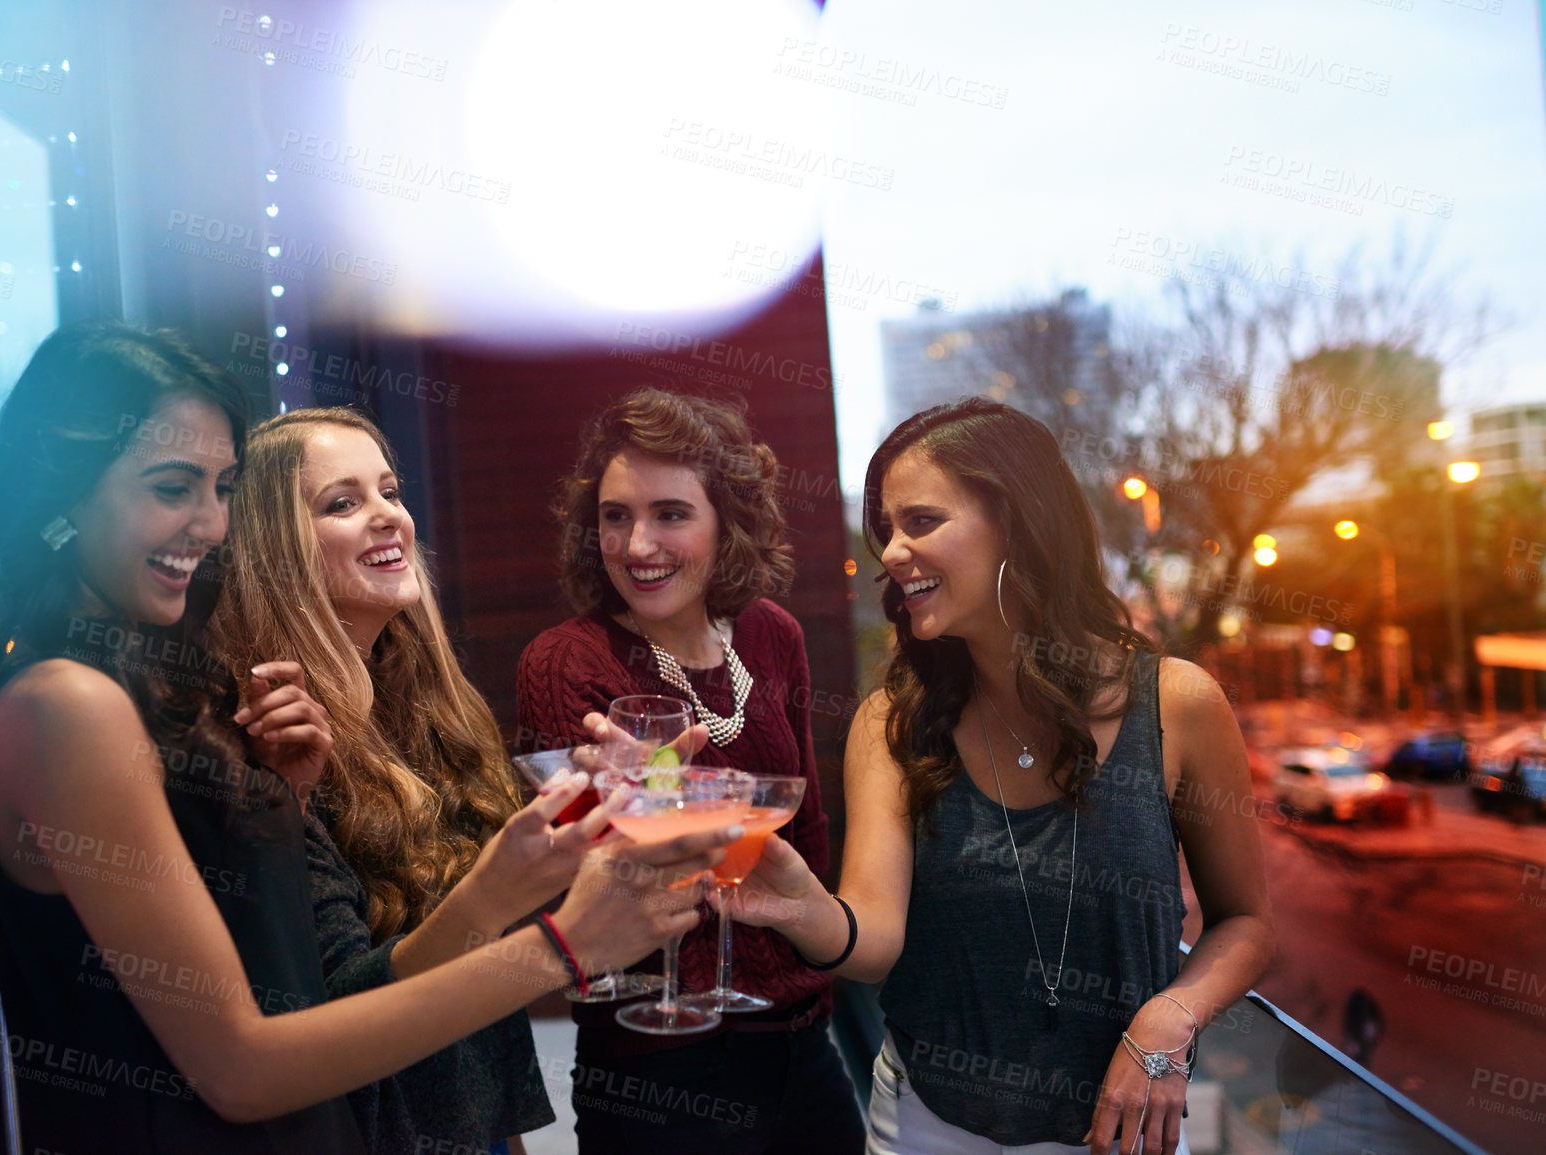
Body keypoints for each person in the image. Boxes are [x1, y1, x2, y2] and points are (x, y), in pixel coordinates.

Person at [0, 322, 735, 1154]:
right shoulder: (66, 702)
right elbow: (242, 1067)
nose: (209, 524)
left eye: (220, 489)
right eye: (170, 486)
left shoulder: (154, 692)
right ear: (61, 492)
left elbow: (273, 971)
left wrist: (278, 799)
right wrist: (563, 950)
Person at [725, 397, 1276, 1155]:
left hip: (1126, 1130)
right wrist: (795, 907)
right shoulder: (890, 723)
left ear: (1016, 520)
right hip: (926, 1126)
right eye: (886, 531)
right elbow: (874, 939)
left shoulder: (1176, 703)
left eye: (920, 522)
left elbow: (1244, 921)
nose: (889, 553)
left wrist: (1169, 1020)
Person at [216, 406, 607, 1154]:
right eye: (343, 502)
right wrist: (501, 898)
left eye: (389, 491)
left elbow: (473, 997)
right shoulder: (269, 733)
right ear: (274, 547)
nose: (386, 517)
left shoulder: (426, 705)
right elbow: (334, 1011)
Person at [517, 388, 865, 1155]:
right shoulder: (566, 659)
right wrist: (634, 806)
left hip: (803, 1044)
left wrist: (814, 977)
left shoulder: (772, 633)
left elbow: (801, 827)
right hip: (656, 1062)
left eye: (670, 513)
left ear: (727, 523)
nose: (637, 544)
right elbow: (569, 880)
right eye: (614, 516)